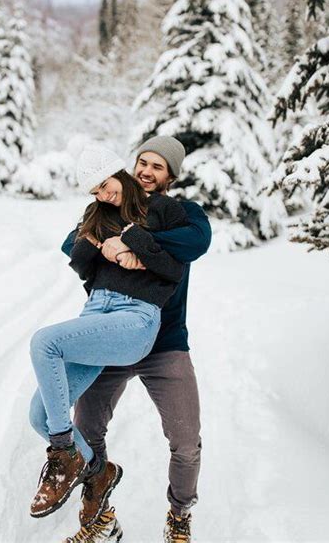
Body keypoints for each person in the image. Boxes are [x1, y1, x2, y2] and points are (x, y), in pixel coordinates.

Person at [29, 143, 191, 524]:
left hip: (136, 318)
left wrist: (134, 241)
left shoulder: (164, 210)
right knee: (40, 416)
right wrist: (103, 247)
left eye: (105, 184)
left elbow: (172, 270)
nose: (103, 195)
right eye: (95, 191)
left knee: (45, 342)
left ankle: (63, 455)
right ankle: (98, 469)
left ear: (119, 171)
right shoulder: (97, 213)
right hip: (96, 313)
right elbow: (81, 265)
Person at [61, 136, 212, 543]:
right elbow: (70, 244)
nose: (146, 170)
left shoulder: (183, 213)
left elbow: (197, 242)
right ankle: (100, 517)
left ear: (170, 176)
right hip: (113, 338)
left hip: (165, 343)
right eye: (142, 161)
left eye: (157, 166)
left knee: (185, 441)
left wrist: (132, 241)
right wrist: (100, 243)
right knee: (86, 429)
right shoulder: (108, 207)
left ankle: (179, 515)